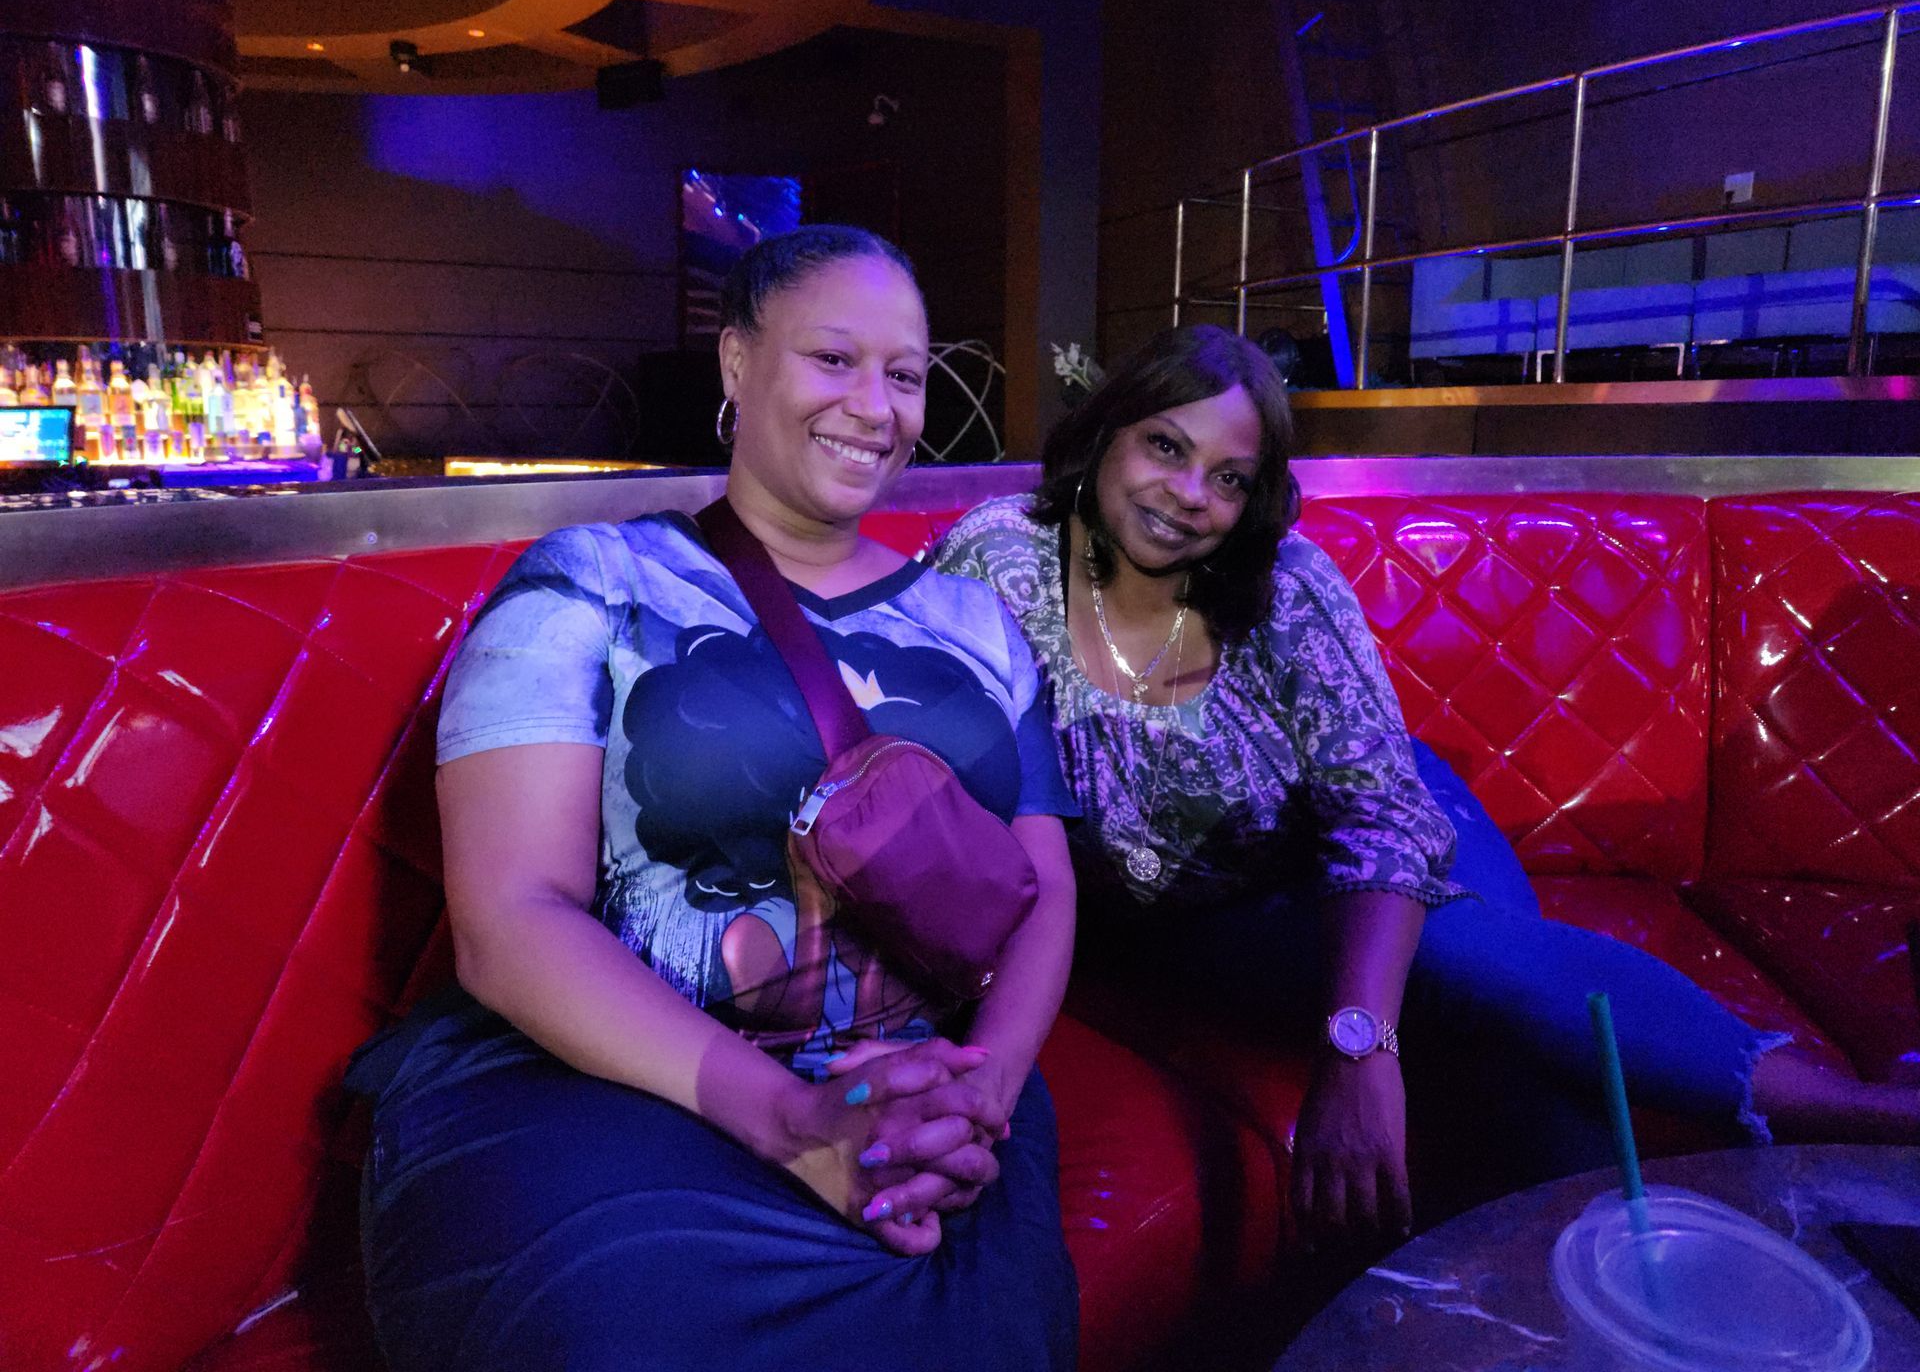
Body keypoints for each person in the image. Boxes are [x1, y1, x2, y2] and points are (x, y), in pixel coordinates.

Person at [934, 322, 1920, 1250]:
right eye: (1165, 446)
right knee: (1489, 1024)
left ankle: (1843, 1114)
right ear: (1107, 430)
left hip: (1380, 822)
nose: (1190, 493)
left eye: (1229, 478)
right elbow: (932, 751)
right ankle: (1644, 1262)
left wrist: (1357, 1047)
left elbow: (1377, 814)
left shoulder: (1283, 582)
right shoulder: (1001, 558)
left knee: (1462, 967)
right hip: (1191, 921)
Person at [349, 225, 1079, 1372]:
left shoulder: (978, 623)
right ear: (737, 362)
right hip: (613, 1092)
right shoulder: (589, 582)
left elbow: (1045, 884)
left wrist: (984, 1084)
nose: (876, 406)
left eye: (904, 375)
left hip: (925, 1087)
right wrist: (794, 1121)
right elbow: (510, 918)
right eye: (834, 359)